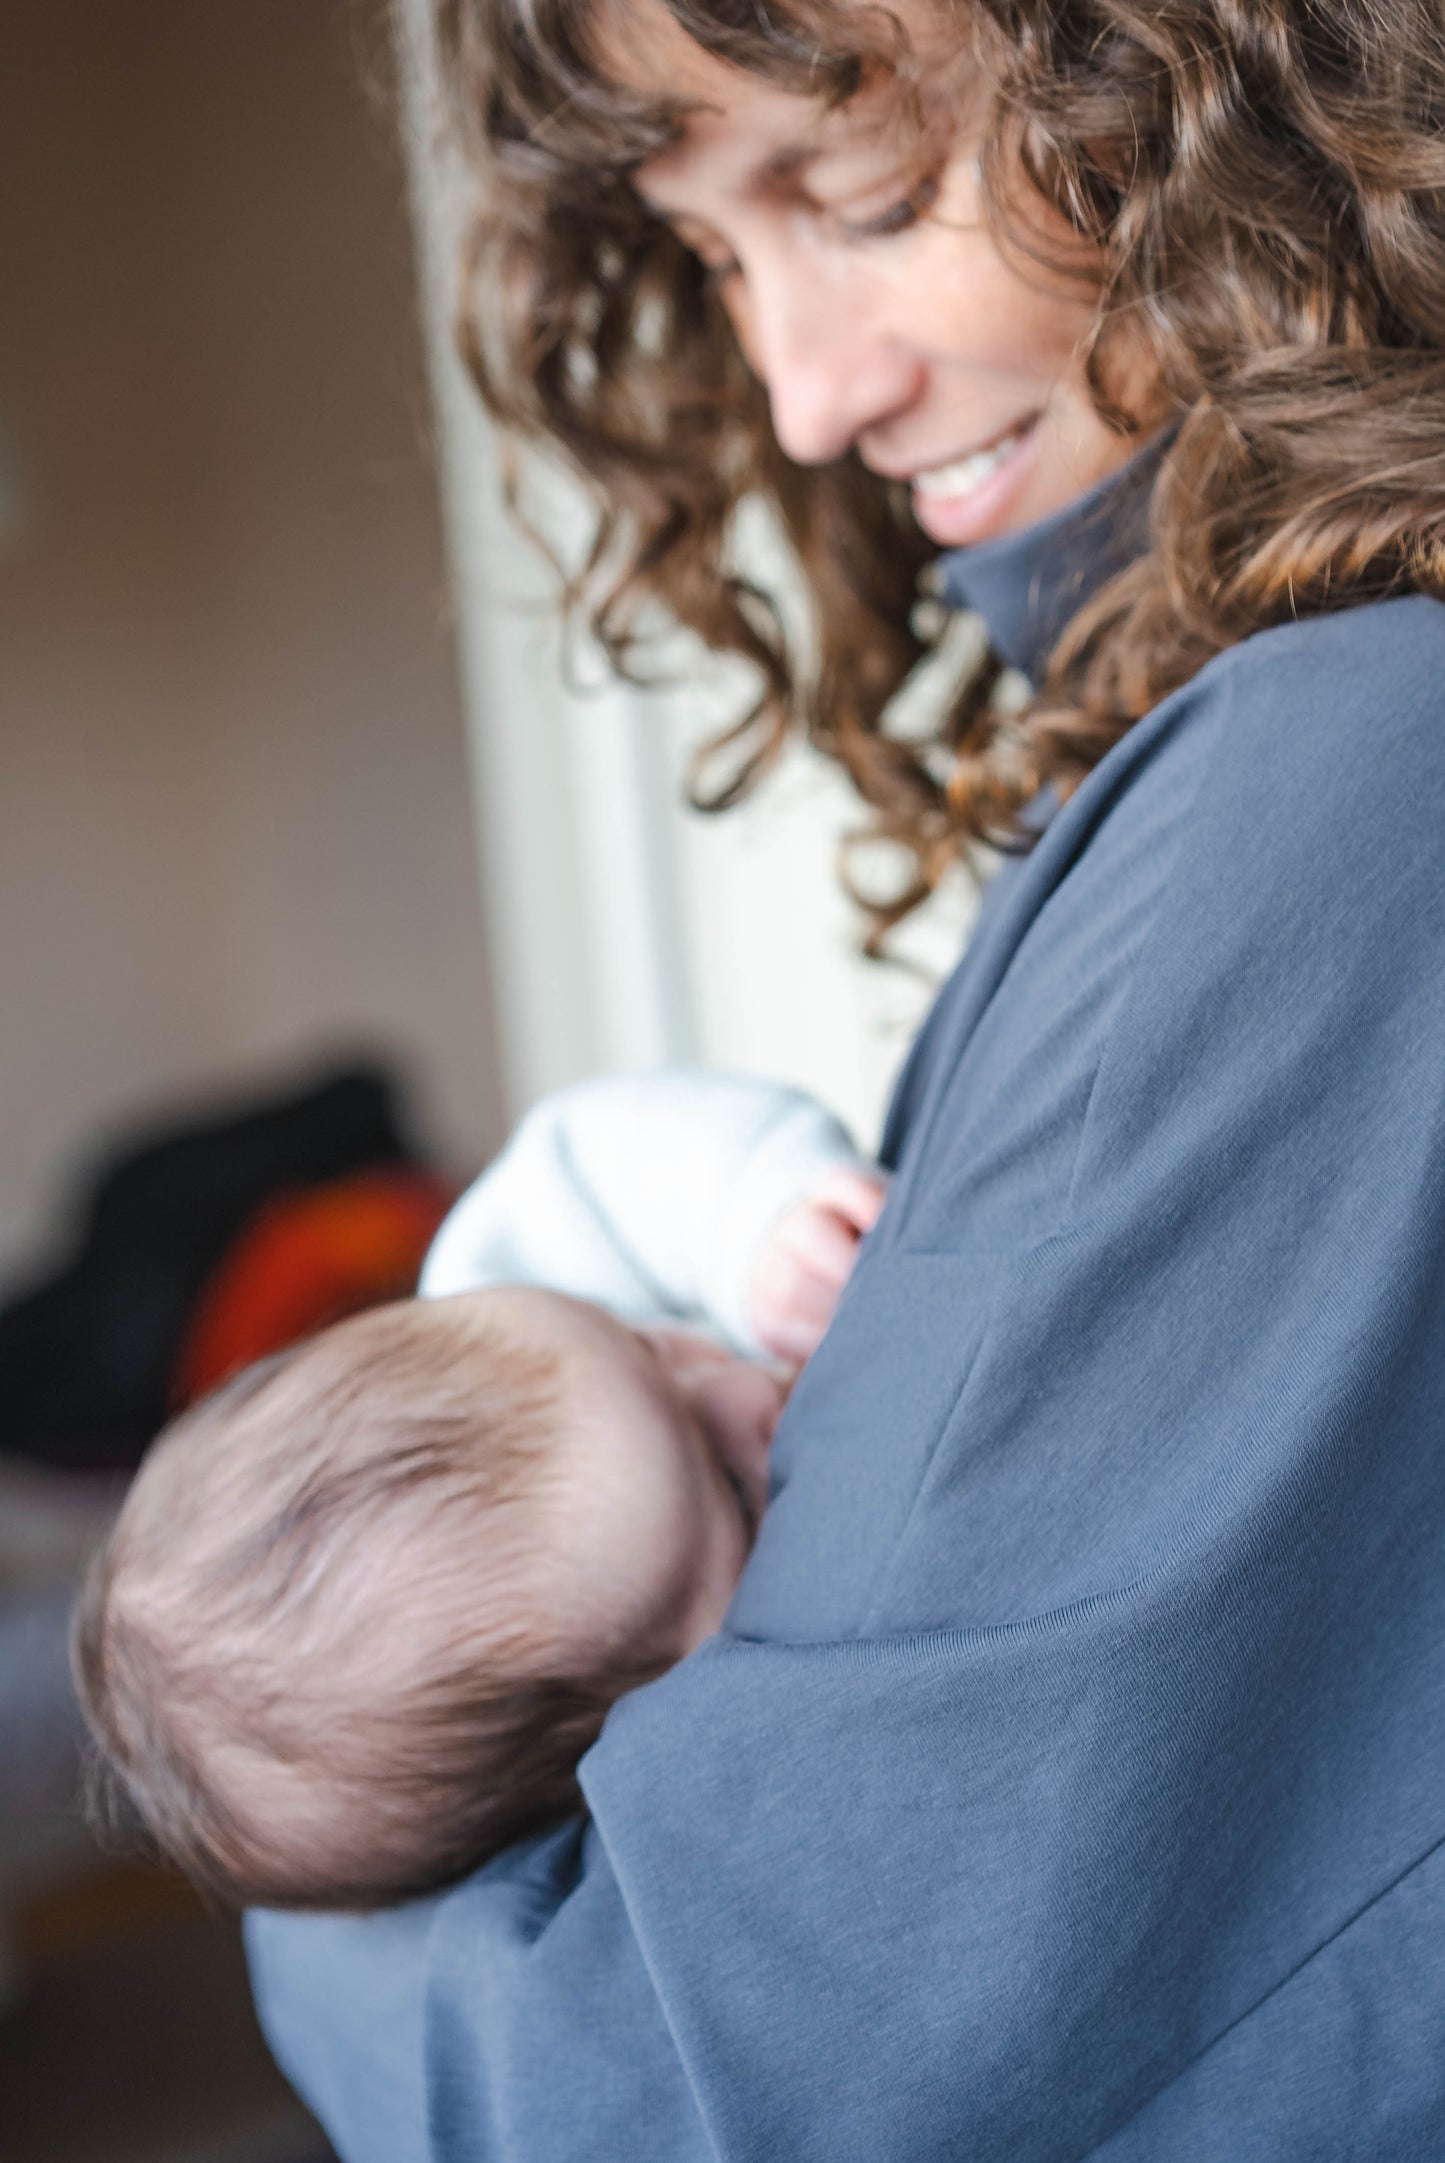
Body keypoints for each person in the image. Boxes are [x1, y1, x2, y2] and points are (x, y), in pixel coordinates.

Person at [245, 0, 1445, 2156]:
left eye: (867, 198)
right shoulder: (1243, 749)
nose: (800, 397)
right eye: (710, 257)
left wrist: (284, 1857)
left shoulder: (1342, 769)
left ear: (1244, 91)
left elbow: (662, 2085)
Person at [73, 1073, 882, 1910]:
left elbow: (593, 1161)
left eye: (648, 1345)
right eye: (730, 1488)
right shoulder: (720, 1753)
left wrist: (756, 1222)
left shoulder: (501, 1288)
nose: (740, 1388)